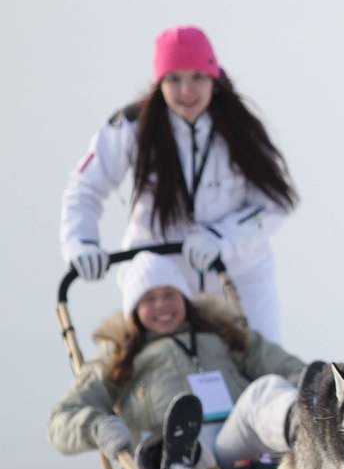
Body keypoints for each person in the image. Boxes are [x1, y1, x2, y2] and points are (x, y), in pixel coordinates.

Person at [60, 26, 297, 341]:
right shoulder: (132, 127)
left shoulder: (240, 127)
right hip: (161, 281)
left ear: (213, 76)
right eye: (174, 79)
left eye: (197, 77)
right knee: (163, 372)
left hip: (237, 276)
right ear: (159, 82)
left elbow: (274, 205)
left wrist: (220, 238)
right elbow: (85, 189)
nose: (187, 91)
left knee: (263, 373)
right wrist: (81, 243)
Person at [49, 253, 304, 469]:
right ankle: (181, 459)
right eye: (149, 298)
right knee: (179, 433)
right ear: (134, 310)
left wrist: (312, 385)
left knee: (264, 390)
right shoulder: (120, 356)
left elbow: (286, 367)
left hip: (236, 443)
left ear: (184, 298)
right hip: (174, 455)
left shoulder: (223, 334)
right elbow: (62, 420)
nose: (162, 305)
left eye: (170, 294)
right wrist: (98, 427)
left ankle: (303, 427)